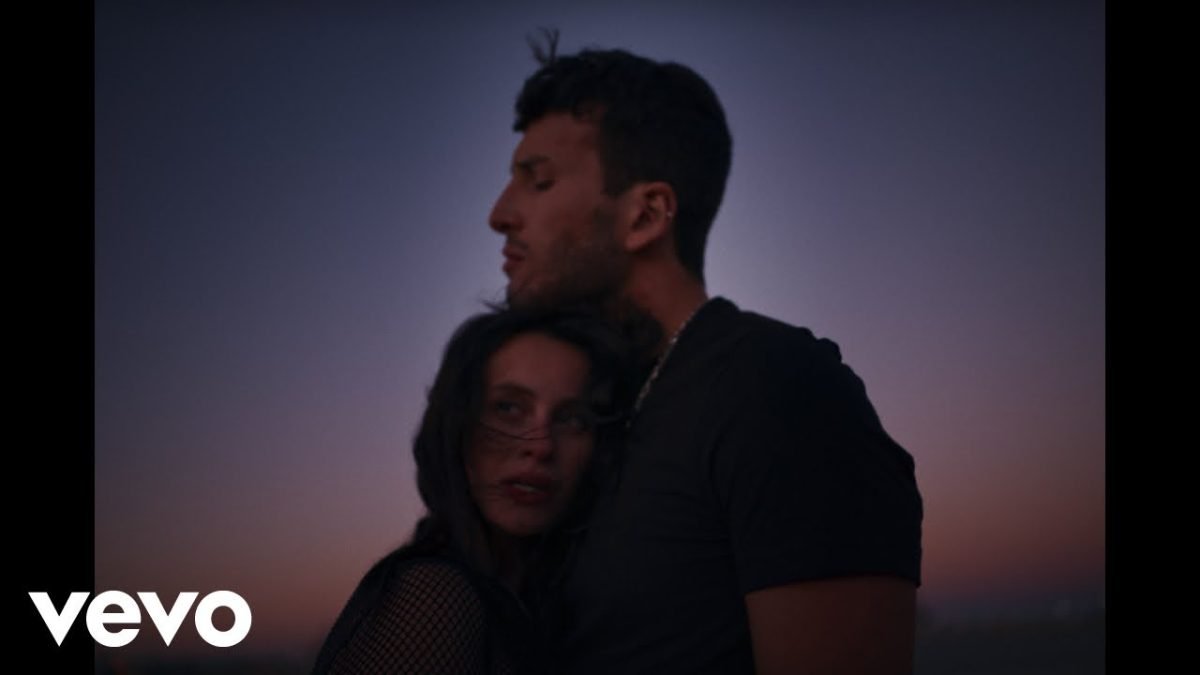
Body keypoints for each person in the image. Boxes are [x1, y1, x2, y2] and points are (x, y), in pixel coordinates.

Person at [488, 35, 924, 674]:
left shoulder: (782, 393)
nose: (500, 214)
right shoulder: (586, 418)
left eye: (539, 180)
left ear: (645, 217)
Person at [312, 307, 633, 674]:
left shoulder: (557, 608)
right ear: (457, 425)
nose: (542, 445)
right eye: (508, 408)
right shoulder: (434, 597)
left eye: (573, 419)